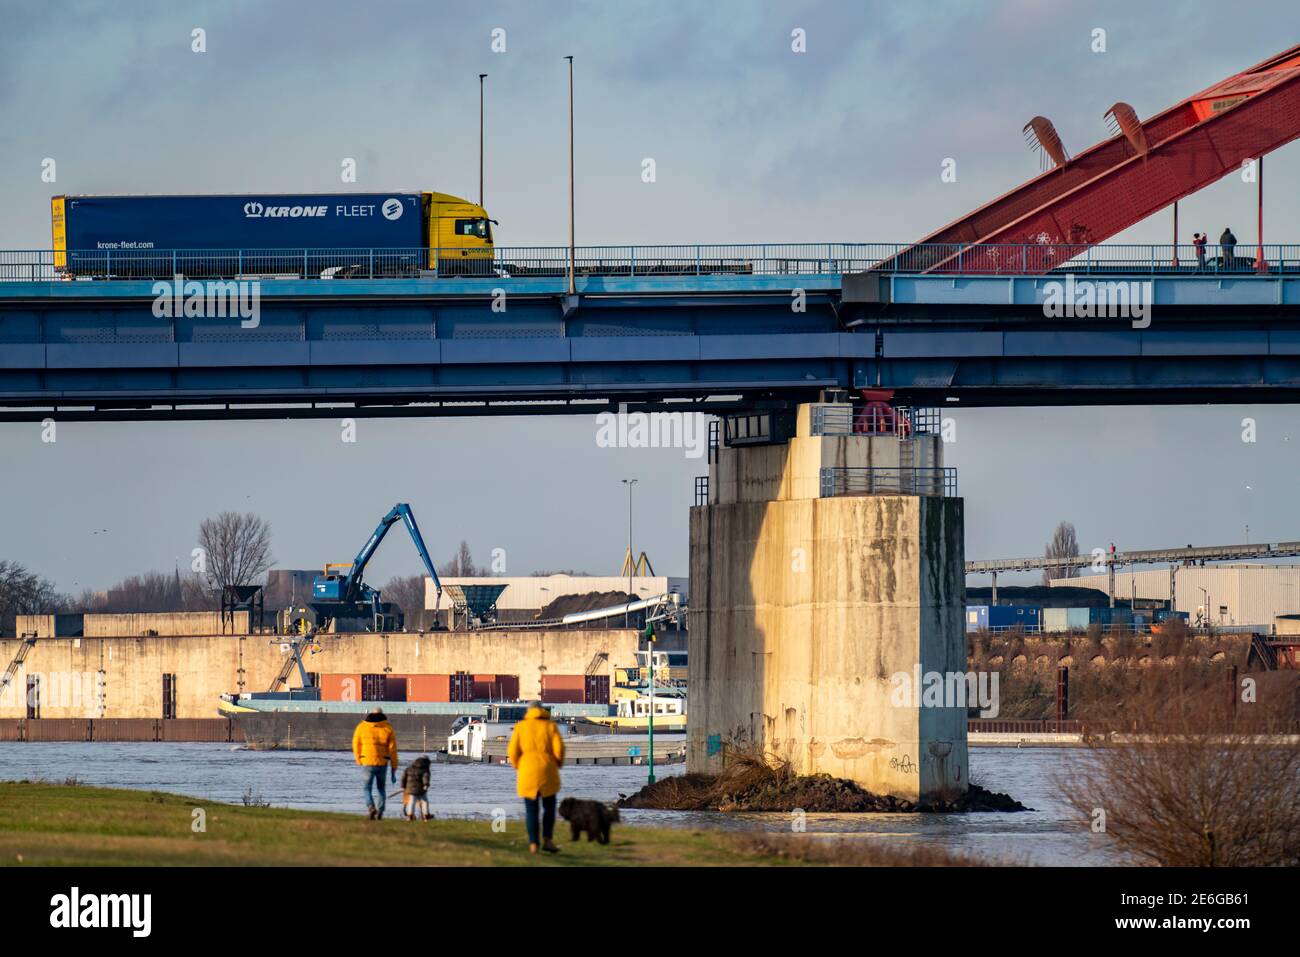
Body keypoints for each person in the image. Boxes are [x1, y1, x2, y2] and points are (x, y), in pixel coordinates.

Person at [507, 700, 566, 854]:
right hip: (548, 770)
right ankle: (548, 840)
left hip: (527, 771)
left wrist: (519, 766)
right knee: (549, 808)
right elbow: (559, 750)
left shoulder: (520, 727)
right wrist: (557, 764)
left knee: (531, 810)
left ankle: (533, 844)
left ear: (529, 711)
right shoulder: (550, 726)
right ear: (542, 710)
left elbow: (512, 752)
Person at [352, 707, 398, 819]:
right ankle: (380, 812)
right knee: (381, 788)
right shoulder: (387, 728)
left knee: (367, 788)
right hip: (382, 762)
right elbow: (392, 749)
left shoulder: (361, 727)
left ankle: (371, 807)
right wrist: (394, 766)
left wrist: (358, 759)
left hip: (367, 762)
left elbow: (355, 744)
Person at [401, 755, 432, 821]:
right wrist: (426, 785)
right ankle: (426, 815)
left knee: (411, 802)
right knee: (425, 801)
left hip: (410, 789)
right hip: (420, 789)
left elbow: (403, 777)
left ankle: (410, 815)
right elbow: (425, 777)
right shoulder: (424, 770)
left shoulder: (409, 768)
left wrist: (403, 786)